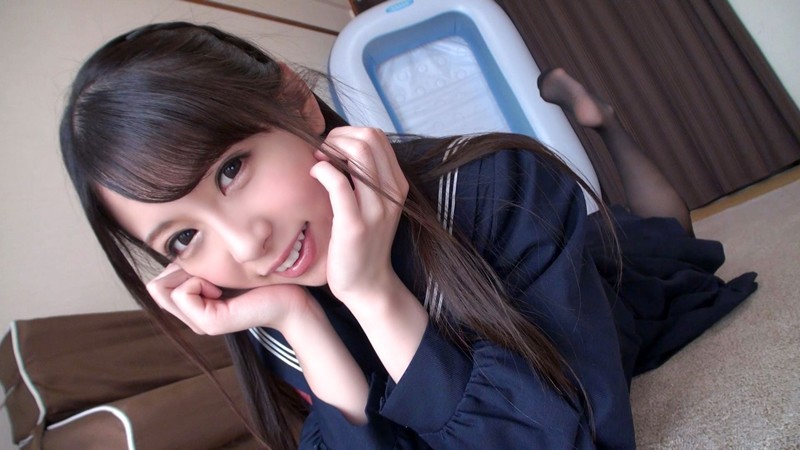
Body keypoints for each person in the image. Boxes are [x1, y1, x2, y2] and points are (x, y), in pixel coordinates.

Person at [59, 22, 757, 449]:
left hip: (595, 288)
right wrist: (302, 321)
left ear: (296, 102)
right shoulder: (265, 301)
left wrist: (373, 293)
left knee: (667, 242)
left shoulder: (492, 184)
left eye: (231, 170)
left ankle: (606, 123)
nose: (246, 247)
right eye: (182, 239)